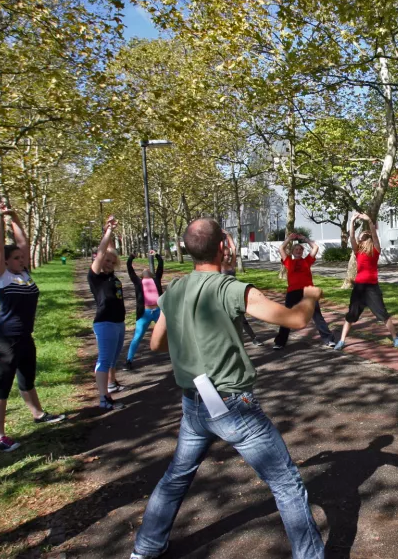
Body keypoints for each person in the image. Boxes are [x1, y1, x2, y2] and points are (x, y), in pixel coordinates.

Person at [130, 218, 325, 559]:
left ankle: (145, 550)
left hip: (194, 405)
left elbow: (158, 343)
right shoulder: (234, 290)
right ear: (224, 246)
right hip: (235, 407)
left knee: (176, 477)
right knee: (287, 484)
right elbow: (295, 319)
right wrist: (309, 296)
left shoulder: (174, 290)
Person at [0, 203, 65, 453]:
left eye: (22, 257)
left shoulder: (24, 275)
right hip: (4, 337)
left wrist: (16, 218)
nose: (22, 260)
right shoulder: (1, 276)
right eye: (17, 258)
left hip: (24, 336)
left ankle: (38, 414)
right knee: (1, 386)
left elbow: (24, 241)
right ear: (6, 261)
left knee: (27, 378)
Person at [334, 213, 398, 350]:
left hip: (372, 288)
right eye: (361, 237)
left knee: (383, 314)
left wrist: (369, 221)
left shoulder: (375, 251)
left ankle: (395, 338)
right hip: (359, 288)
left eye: (364, 237)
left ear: (368, 239)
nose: (361, 238)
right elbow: (351, 236)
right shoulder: (357, 251)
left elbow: (375, 236)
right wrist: (352, 221)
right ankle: (342, 341)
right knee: (351, 315)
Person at [88, 216, 127, 410]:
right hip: (105, 323)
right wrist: (108, 231)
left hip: (118, 323)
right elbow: (103, 251)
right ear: (99, 259)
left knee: (112, 359)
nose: (110, 262)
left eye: (113, 261)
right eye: (107, 260)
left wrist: (110, 233)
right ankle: (104, 398)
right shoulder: (96, 277)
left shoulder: (111, 276)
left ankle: (110, 386)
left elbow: (109, 250)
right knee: (104, 360)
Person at [273, 233, 335, 349]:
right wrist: (289, 239)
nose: (298, 251)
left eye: (300, 249)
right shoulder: (288, 261)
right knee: (287, 316)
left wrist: (305, 239)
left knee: (317, 316)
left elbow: (315, 248)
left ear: (302, 252)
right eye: (296, 249)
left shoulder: (307, 260)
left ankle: (328, 340)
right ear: (292, 252)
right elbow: (281, 248)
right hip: (293, 292)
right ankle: (280, 342)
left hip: (308, 292)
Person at [220, 234, 263, 346]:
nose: (227, 257)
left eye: (228, 255)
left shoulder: (231, 264)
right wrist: (219, 240)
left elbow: (234, 249)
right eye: (225, 255)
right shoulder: (218, 266)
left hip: (234, 294)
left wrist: (228, 236)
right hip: (222, 295)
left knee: (242, 318)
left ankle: (254, 338)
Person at [124, 250, 164, 370]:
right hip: (144, 313)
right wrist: (131, 257)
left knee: (169, 333)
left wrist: (156, 255)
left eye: (148, 269)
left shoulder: (156, 279)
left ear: (151, 273)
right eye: (143, 270)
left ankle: (179, 356)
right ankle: (129, 360)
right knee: (137, 336)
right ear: (141, 275)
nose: (146, 269)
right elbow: (129, 269)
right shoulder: (138, 282)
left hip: (157, 312)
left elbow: (161, 265)